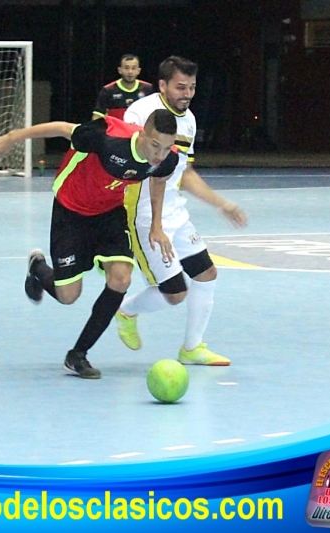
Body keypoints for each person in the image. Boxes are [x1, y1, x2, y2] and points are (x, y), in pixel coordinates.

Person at [0, 110, 179, 379]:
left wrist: (157, 225)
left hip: (109, 212)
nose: (159, 155)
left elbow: (159, 179)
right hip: (71, 210)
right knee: (68, 296)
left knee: (121, 279)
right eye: (155, 145)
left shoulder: (167, 158)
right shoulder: (107, 138)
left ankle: (78, 355)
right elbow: (63, 127)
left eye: (166, 148)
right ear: (143, 133)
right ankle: (38, 269)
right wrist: (13, 137)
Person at [116, 56, 247, 366]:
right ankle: (126, 309)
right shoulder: (140, 113)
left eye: (192, 87)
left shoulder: (189, 120)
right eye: (180, 87)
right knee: (175, 293)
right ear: (162, 85)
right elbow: (131, 164)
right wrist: (153, 223)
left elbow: (185, 173)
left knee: (206, 274)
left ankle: (192, 348)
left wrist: (222, 204)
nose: (186, 94)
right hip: (145, 214)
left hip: (175, 211)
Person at [92, 54, 154, 121]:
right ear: (119, 70)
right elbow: (98, 116)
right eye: (126, 68)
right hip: (116, 130)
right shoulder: (108, 90)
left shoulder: (148, 89)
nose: (130, 72)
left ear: (138, 71)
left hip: (140, 130)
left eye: (133, 68)